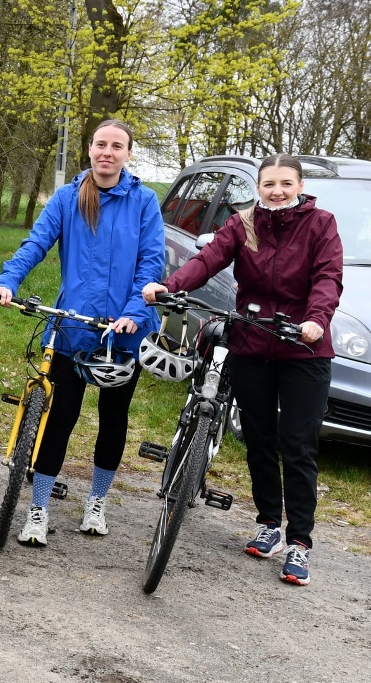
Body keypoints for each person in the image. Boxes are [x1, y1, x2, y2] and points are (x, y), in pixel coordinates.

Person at [143, 153, 343, 586]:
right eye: (269, 183)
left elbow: (328, 277)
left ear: (299, 185)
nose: (277, 191)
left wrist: (316, 320)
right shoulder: (244, 223)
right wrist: (169, 286)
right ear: (258, 187)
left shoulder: (320, 224)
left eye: (285, 184)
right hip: (252, 344)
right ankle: (269, 524)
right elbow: (208, 260)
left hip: (303, 351)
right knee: (258, 439)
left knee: (297, 445)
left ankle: (300, 543)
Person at [0, 119, 164, 546]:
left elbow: (151, 264)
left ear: (128, 154)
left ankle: (97, 502)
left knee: (113, 419)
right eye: (101, 144)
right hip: (74, 328)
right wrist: (9, 279)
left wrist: (132, 313)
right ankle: (39, 508)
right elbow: (36, 243)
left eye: (117, 146)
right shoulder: (69, 198)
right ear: (89, 149)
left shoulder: (144, 202)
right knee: (60, 418)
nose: (108, 152)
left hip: (125, 333)